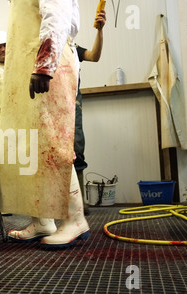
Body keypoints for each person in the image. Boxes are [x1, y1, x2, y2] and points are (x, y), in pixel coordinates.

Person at [0, 0, 89, 249]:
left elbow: (56, 15)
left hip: (49, 66)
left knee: (53, 143)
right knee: (31, 145)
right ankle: (42, 221)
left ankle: (75, 219)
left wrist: (45, 66)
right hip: (27, 66)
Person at [74, 9, 106, 215]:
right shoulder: (42, 47)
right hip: (48, 104)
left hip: (73, 103)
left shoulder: (72, 49)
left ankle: (80, 201)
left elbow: (94, 56)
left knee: (76, 145)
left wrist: (100, 31)